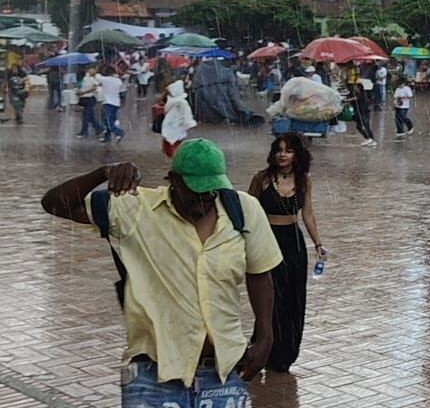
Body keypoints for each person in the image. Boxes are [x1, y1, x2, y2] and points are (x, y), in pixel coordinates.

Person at [40, 140, 281, 406]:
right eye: (196, 191)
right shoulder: (136, 209)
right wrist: (103, 173)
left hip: (224, 371)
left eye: (211, 191)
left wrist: (265, 335)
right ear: (174, 181)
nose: (205, 200)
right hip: (152, 374)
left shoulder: (243, 210)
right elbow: (55, 203)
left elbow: (259, 273)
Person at [248, 133, 324, 373]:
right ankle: (262, 347)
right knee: (270, 299)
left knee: (293, 298)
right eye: (279, 150)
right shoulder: (262, 179)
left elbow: (308, 215)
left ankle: (285, 354)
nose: (282, 154)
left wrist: (318, 244)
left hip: (294, 245)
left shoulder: (304, 181)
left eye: (288, 150)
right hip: (267, 240)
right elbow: (249, 211)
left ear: (296, 155)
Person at [160, 80, 197, 159]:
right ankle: (176, 159)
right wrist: (189, 124)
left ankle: (172, 158)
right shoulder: (183, 103)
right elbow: (187, 115)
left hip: (169, 127)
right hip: (178, 127)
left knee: (169, 145)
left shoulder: (170, 102)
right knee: (177, 145)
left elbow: (165, 111)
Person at [98, 66, 126, 143]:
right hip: (116, 103)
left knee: (107, 120)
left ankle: (118, 132)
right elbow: (121, 89)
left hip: (107, 103)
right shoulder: (118, 81)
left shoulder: (105, 79)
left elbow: (97, 76)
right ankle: (107, 137)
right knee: (112, 120)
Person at [77, 65, 105, 138]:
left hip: (89, 98)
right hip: (85, 98)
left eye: (92, 69)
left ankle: (84, 131)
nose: (92, 70)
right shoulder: (85, 77)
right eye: (90, 69)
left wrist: (84, 92)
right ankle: (99, 129)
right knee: (90, 117)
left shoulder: (94, 78)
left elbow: (95, 88)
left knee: (86, 116)